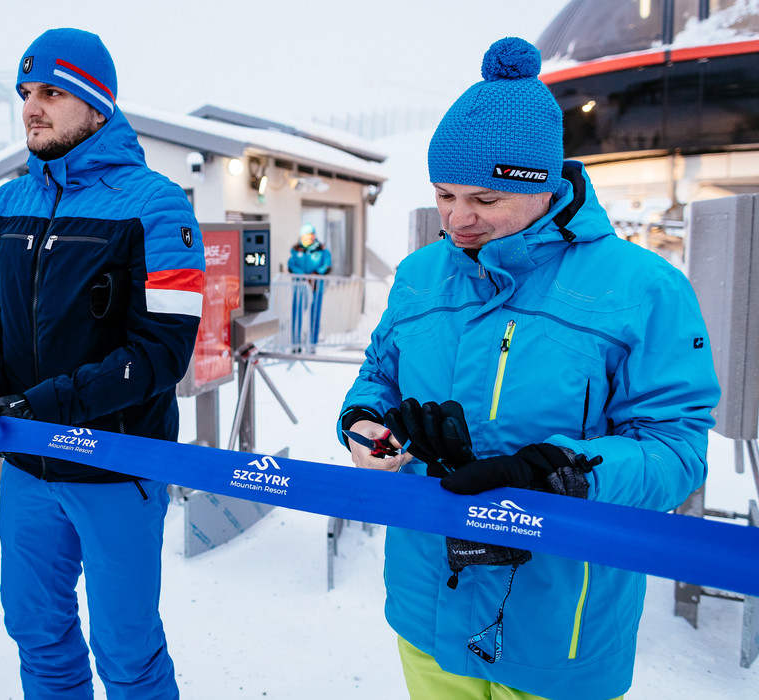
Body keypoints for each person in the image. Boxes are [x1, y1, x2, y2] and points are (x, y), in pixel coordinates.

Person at [336, 38, 719, 700]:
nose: (457, 219)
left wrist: (561, 472)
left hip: (559, 626)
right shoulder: (421, 276)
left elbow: (676, 450)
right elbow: (379, 377)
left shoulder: (643, 287)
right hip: (428, 604)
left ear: (542, 186)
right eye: (444, 194)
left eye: (483, 200)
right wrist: (370, 427)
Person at [0, 28, 205, 700]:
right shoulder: (10, 202)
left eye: (52, 92)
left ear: (97, 105)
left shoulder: (155, 205)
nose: (32, 106)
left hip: (117, 466)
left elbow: (161, 353)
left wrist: (45, 406)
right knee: (35, 632)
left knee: (126, 650)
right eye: (26, 93)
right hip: (28, 465)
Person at [287, 222, 331, 349]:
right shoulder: (296, 250)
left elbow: (327, 265)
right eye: (306, 236)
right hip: (300, 287)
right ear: (302, 237)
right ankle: (296, 344)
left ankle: (312, 344)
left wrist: (316, 273)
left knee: (315, 315)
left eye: (311, 235)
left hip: (316, 287)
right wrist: (304, 276)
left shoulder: (322, 250)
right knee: (297, 315)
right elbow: (291, 265)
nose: (309, 238)